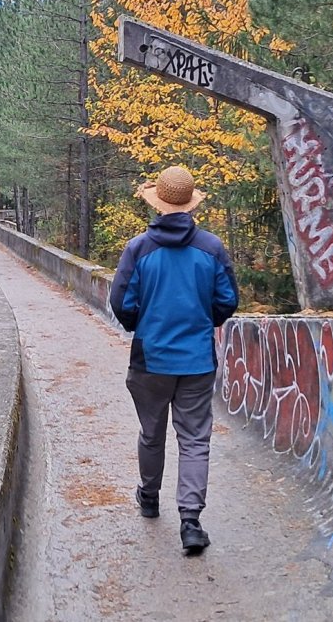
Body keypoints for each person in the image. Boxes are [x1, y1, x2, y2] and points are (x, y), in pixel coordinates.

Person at [109, 165, 239, 555]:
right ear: (190, 204)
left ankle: (149, 497)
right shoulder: (211, 248)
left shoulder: (139, 248)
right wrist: (204, 323)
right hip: (197, 359)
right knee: (195, 439)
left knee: (152, 432)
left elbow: (121, 302)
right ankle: (191, 521)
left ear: (158, 203)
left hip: (151, 358)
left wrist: (142, 325)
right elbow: (227, 301)